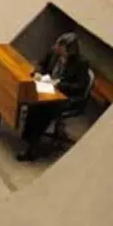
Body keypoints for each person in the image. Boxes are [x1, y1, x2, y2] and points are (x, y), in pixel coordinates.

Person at [18, 33, 91, 161]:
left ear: (70, 50)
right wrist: (37, 73)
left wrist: (60, 84)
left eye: (61, 47)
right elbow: (40, 64)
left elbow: (79, 86)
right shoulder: (53, 53)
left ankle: (32, 147)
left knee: (42, 109)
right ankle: (29, 140)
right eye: (58, 45)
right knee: (33, 103)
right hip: (46, 88)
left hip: (66, 97)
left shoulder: (81, 63)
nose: (57, 49)